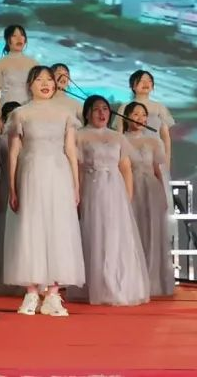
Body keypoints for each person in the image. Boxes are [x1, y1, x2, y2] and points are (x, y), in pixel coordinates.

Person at [4, 66, 84, 317]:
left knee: (58, 230)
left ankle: (53, 294)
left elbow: (70, 151)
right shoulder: (20, 114)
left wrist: (76, 184)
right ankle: (31, 292)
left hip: (59, 176)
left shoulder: (65, 114)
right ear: (30, 85)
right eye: (39, 80)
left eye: (49, 79)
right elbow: (14, 153)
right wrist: (12, 187)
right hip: (31, 174)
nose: (45, 84)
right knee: (31, 229)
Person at [69, 95, 150, 306]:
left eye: (105, 109)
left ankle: (119, 285)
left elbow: (125, 168)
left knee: (117, 237)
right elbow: (77, 168)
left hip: (116, 190)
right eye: (97, 109)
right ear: (87, 113)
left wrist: (127, 197)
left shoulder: (117, 137)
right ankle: (98, 285)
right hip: (92, 188)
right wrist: (77, 195)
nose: (102, 113)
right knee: (96, 234)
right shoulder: (79, 136)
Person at [123, 101, 175, 297]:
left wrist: (163, 195)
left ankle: (153, 281)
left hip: (151, 189)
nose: (140, 118)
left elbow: (157, 170)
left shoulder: (154, 142)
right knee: (133, 230)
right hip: (130, 188)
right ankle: (134, 281)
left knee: (153, 231)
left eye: (143, 115)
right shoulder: (120, 140)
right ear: (126, 116)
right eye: (135, 114)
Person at [115, 70, 174, 189]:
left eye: (149, 81)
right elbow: (119, 135)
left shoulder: (159, 107)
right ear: (133, 86)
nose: (146, 83)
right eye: (142, 80)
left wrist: (166, 160)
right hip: (133, 155)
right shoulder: (125, 107)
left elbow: (165, 137)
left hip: (156, 155)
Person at [0, 101, 22, 296]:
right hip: (5, 189)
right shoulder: (0, 141)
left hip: (24, 187)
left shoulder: (26, 139)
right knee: (4, 234)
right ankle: (4, 280)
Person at [0, 24, 37, 133]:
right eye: (14, 36)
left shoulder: (33, 63)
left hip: (29, 109)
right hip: (7, 110)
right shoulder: (0, 64)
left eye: (22, 35)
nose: (19, 39)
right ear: (7, 40)